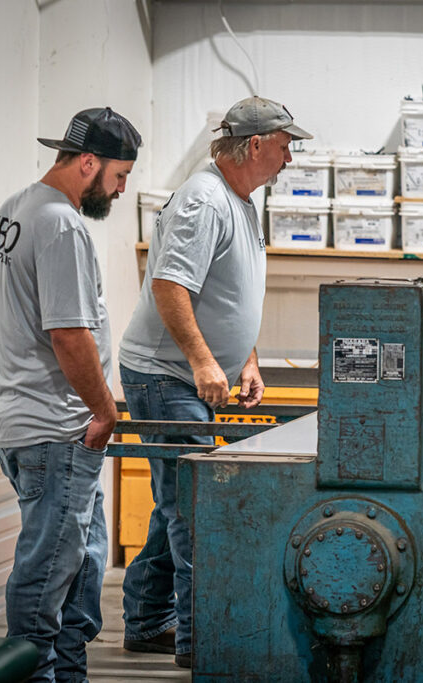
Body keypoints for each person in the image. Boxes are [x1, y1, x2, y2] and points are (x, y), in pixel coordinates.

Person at [117, 96, 311, 667]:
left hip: (191, 372)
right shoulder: (204, 201)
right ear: (255, 145)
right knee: (197, 506)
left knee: (176, 501)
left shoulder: (241, 201)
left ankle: (148, 618)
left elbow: (229, 293)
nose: (290, 159)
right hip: (166, 375)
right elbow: (171, 287)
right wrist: (205, 362)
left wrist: (245, 360)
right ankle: (200, 643)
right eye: (284, 145)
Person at [0, 107, 141, 681]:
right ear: (88, 162)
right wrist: (106, 410)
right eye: (119, 176)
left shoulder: (15, 209)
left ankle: (68, 674)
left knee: (83, 563)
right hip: (58, 428)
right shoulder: (61, 225)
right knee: (47, 571)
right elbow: (69, 335)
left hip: (36, 422)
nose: (122, 190)